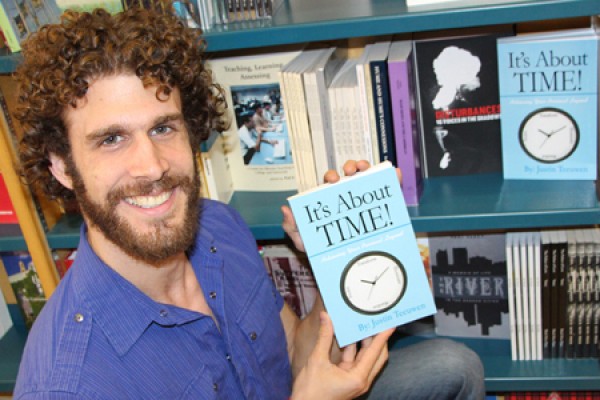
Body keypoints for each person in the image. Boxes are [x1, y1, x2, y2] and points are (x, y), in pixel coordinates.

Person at [12, 7, 485, 400]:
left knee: (453, 366)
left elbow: (297, 357)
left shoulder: (217, 227)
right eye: (111, 139)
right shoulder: (69, 384)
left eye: (163, 128)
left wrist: (336, 259)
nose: (152, 166)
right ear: (62, 166)